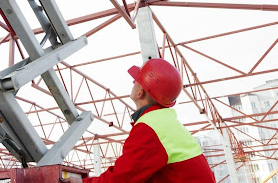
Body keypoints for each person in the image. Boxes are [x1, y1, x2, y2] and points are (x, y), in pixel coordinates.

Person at [82, 58, 216, 182]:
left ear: (141, 92)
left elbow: (122, 178)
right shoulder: (164, 122)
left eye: (136, 81)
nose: (133, 82)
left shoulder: (149, 128)